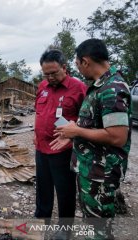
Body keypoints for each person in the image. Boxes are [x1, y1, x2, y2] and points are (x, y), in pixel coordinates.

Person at [52, 39, 131, 238]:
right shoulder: (99, 86)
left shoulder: (111, 89)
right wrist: (73, 132)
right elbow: (96, 127)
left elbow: (117, 136)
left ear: (85, 61)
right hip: (92, 170)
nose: (78, 70)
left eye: (78, 65)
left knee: (98, 230)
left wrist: (76, 131)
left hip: (101, 173)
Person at [34, 49, 87, 222]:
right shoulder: (42, 87)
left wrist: (74, 135)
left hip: (63, 150)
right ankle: (42, 220)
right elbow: (38, 112)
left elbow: (88, 119)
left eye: (53, 73)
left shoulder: (78, 88)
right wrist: (36, 132)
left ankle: (65, 228)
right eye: (45, 74)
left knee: (65, 191)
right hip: (41, 148)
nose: (49, 77)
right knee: (43, 188)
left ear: (64, 67)